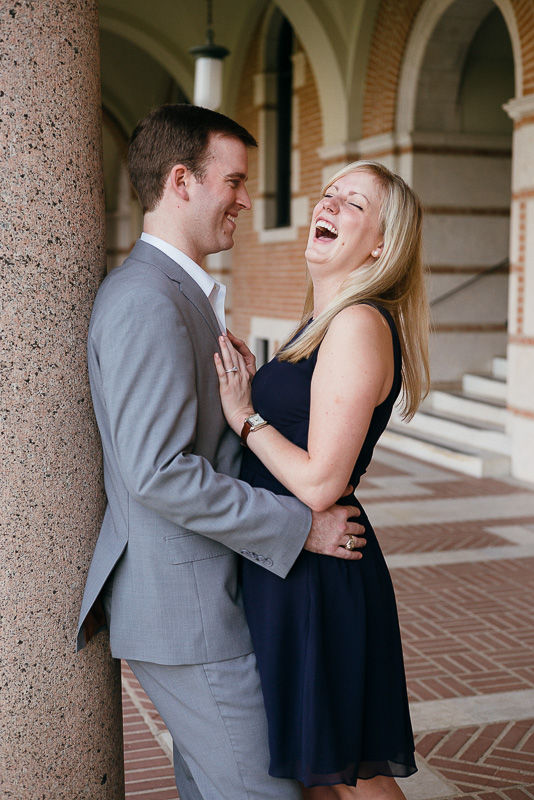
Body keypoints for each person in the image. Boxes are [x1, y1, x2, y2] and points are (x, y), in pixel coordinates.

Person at [76, 104, 367, 800]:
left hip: (201, 599)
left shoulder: (183, 292)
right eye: (233, 181)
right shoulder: (148, 299)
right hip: (188, 612)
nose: (244, 197)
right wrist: (304, 526)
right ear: (182, 181)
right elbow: (158, 473)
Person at [214, 160, 430, 799]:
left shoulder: (359, 324)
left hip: (318, 577)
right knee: (312, 774)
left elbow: (318, 484)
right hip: (288, 564)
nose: (328, 205)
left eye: (353, 204)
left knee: (350, 779)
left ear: (382, 244)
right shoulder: (322, 321)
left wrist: (245, 416)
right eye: (329, 194)